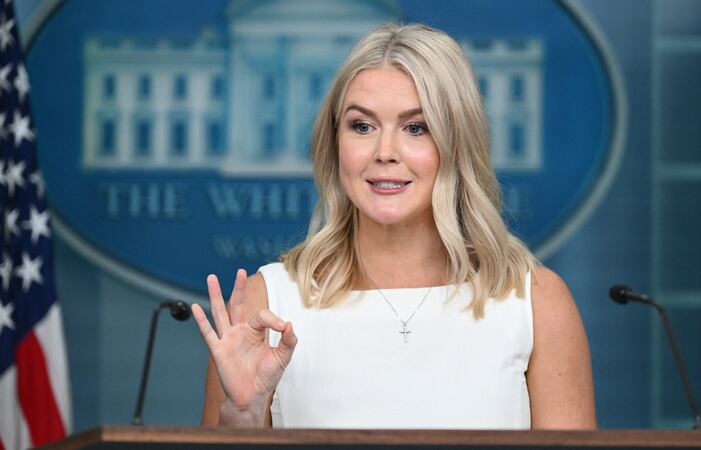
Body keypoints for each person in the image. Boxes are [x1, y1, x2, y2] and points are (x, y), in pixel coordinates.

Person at [192, 22, 596, 430]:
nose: (385, 152)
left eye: (416, 127)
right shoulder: (268, 303)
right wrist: (242, 415)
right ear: (334, 144)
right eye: (362, 126)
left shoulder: (535, 302)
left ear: (457, 143)